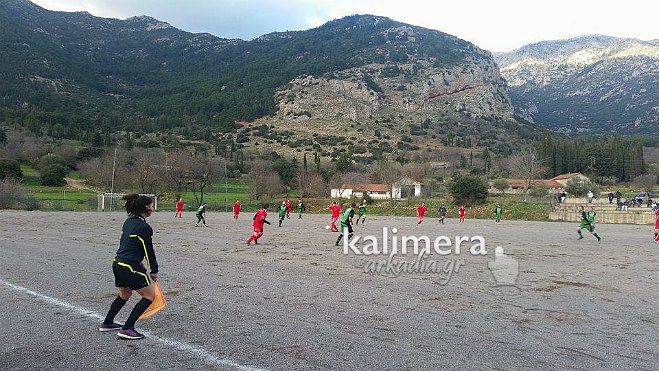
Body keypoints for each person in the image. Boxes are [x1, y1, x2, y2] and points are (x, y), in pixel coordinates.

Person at [100, 194, 158, 340]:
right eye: (151, 205)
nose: (153, 207)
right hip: (130, 266)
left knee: (124, 294)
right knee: (149, 295)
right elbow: (148, 250)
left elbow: (127, 244)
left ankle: (107, 323)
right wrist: (154, 269)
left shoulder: (128, 222)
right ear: (146, 207)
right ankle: (127, 328)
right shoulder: (144, 227)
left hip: (118, 263)